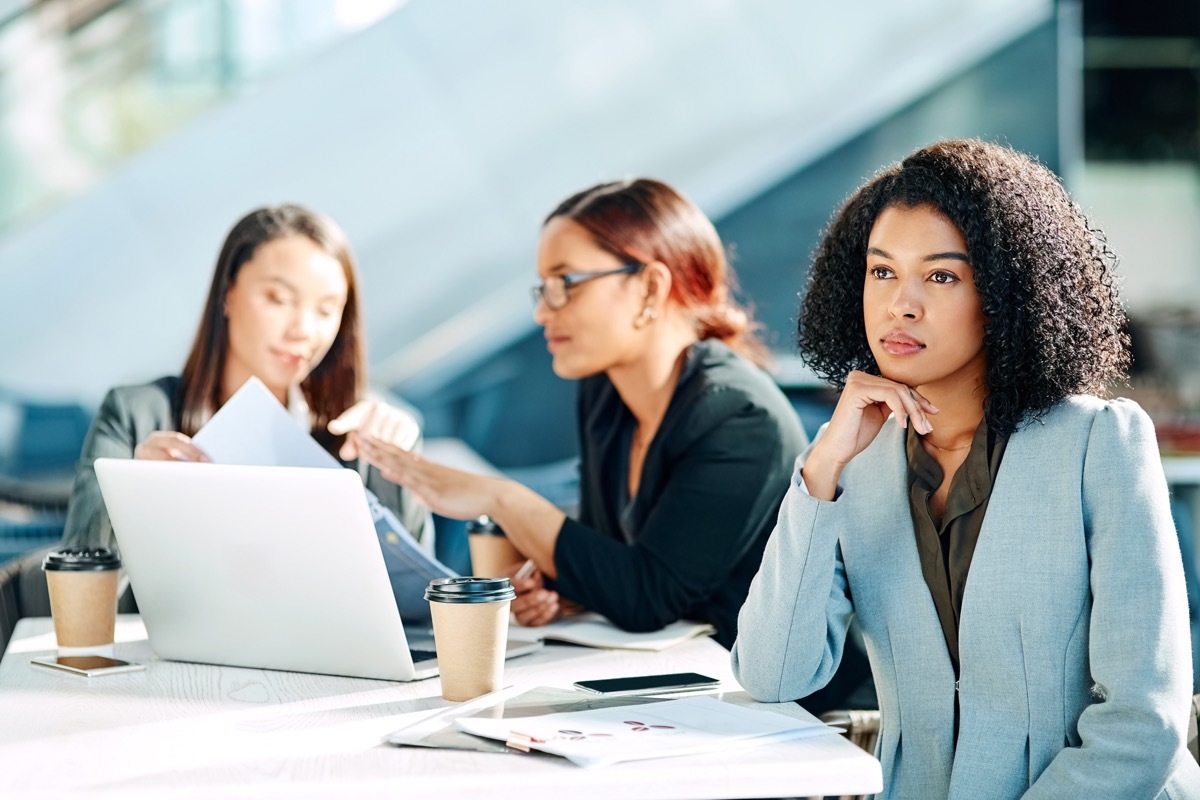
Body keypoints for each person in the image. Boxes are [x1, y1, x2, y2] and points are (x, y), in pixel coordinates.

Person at [731, 139, 1200, 798]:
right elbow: (775, 674)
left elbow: (1142, 724)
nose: (902, 304)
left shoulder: (1099, 443)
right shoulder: (852, 462)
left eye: (942, 276)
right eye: (882, 272)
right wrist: (824, 467)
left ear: (1006, 293)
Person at [350, 178, 806, 653]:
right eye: (541, 289)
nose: (543, 313)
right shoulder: (606, 390)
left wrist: (501, 498)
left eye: (565, 284)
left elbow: (649, 597)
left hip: (774, 704)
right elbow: (612, 556)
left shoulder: (740, 416)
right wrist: (562, 591)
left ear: (651, 287)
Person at [62, 204, 431, 563]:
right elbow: (78, 581)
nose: (303, 330)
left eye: (325, 310)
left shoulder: (362, 430)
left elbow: (419, 604)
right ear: (228, 294)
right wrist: (134, 500)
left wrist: (399, 471)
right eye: (279, 299)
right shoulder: (135, 415)